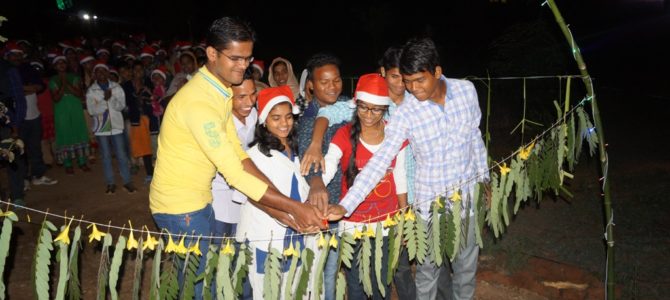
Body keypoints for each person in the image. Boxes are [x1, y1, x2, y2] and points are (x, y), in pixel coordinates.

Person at [149, 17, 326, 299]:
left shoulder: (218, 93)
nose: (243, 66)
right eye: (235, 58)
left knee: (205, 277)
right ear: (212, 54)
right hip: (180, 209)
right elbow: (234, 172)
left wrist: (285, 212)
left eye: (247, 58)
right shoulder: (200, 102)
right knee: (201, 284)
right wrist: (295, 207)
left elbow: (240, 157)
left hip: (198, 200)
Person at [327, 37, 490, 300]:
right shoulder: (406, 113)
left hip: (467, 200)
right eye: (407, 81)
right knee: (427, 274)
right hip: (429, 208)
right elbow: (380, 161)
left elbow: (475, 138)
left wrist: (485, 180)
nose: (413, 89)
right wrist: (347, 205)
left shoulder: (467, 91)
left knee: (465, 271)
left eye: (420, 80)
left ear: (437, 71)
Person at [319, 73, 409, 299]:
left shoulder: (394, 134)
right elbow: (329, 165)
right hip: (352, 223)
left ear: (385, 108)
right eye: (364, 108)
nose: (369, 115)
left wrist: (404, 218)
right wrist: (316, 185)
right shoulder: (344, 134)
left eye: (376, 109)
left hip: (386, 222)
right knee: (356, 283)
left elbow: (400, 177)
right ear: (356, 104)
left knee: (382, 281)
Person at [236, 85, 318, 299]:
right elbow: (251, 196)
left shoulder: (297, 149)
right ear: (264, 121)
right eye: (276, 118)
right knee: (268, 290)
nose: (284, 123)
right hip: (267, 235)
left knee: (293, 286)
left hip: (295, 232)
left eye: (288, 117)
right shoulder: (254, 156)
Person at [295, 52, 350, 300]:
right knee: (325, 270)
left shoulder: (350, 105)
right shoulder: (307, 120)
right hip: (328, 203)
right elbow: (310, 162)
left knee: (342, 267)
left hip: (353, 198)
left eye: (336, 79)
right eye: (324, 82)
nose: (332, 86)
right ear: (311, 85)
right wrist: (317, 185)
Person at [85, 61, 136, 195]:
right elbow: (91, 110)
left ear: (108, 73)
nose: (101, 73)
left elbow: (121, 106)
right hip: (101, 127)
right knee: (106, 156)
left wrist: (110, 99)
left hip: (117, 126)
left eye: (104, 71)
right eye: (98, 71)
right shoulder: (91, 91)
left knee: (121, 154)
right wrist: (104, 100)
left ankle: (127, 182)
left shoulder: (116, 87)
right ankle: (110, 183)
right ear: (94, 74)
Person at [48, 52, 91, 175]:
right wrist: (62, 84)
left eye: (63, 63)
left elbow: (79, 94)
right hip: (61, 111)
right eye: (58, 63)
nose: (61, 65)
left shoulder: (75, 77)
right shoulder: (53, 80)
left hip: (75, 108)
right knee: (64, 134)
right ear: (54, 66)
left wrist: (66, 82)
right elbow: (56, 98)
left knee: (79, 132)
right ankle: (67, 164)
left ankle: (82, 161)